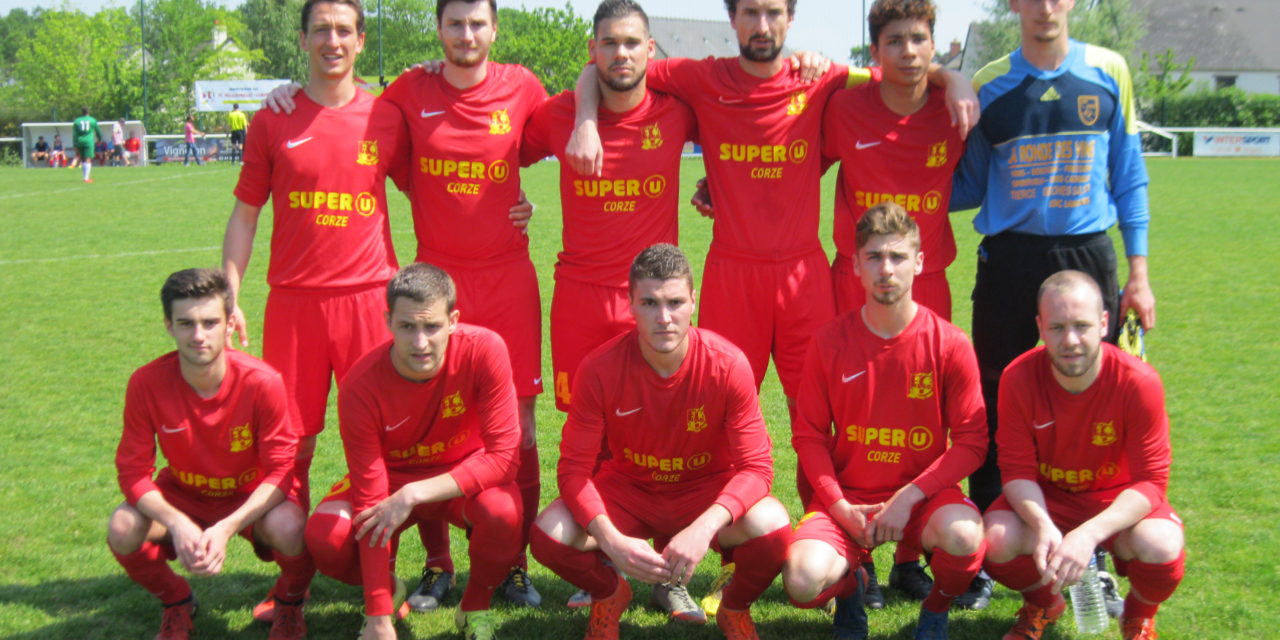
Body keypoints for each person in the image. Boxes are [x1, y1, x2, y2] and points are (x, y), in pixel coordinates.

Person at [568, 0, 976, 614]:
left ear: (792, 19)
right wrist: (584, 119)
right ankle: (695, 561)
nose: (762, 27)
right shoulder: (701, 78)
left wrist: (956, 75)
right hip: (732, 271)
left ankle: (843, 547)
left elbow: (905, 68)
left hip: (803, 272)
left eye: (774, 13)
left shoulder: (821, 78)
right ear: (732, 19)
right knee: (709, 417)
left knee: (816, 415)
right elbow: (610, 66)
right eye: (750, 13)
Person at [951, 0, 1156, 609]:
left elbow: (1130, 175)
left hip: (1089, 253)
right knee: (991, 397)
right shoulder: (990, 82)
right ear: (1012, 5)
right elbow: (964, 182)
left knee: (1096, 405)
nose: (1043, 7)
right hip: (1010, 257)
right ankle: (993, 548)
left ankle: (1095, 554)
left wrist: (1139, 273)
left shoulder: (1109, 70)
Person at [222, 0, 409, 620]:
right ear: (302, 40)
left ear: (361, 41)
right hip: (295, 307)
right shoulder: (272, 118)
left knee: (379, 448)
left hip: (368, 301)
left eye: (344, 30)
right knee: (289, 451)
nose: (333, 40)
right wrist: (229, 291)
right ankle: (291, 590)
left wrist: (513, 209)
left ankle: (381, 591)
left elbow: (442, 177)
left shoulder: (387, 115)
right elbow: (246, 212)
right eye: (321, 30)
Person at [519, 0, 700, 617]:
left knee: (662, 429)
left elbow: (744, 132)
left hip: (650, 297)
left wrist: (714, 185)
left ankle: (668, 568)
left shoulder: (677, 111)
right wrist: (513, 203)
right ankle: (604, 564)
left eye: (631, 43)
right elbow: (486, 158)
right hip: (581, 297)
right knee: (589, 437)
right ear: (592, 53)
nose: (620, 54)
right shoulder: (562, 114)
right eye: (608, 44)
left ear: (652, 50)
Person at [530, 244, 791, 640]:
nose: (664, 317)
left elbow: (757, 467)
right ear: (630, 304)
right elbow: (573, 470)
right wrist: (612, 541)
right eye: (649, 303)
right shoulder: (600, 368)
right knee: (549, 534)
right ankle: (609, 593)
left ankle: (734, 607)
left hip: (704, 490)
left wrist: (704, 528)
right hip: (630, 490)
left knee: (772, 525)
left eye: (674, 302)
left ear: (693, 302)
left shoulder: (727, 364)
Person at [819, 0, 970, 606]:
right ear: (874, 53)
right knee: (849, 413)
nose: (908, 51)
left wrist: (954, 77)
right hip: (853, 281)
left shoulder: (953, 105)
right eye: (894, 42)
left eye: (919, 39)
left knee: (926, 419)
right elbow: (799, 158)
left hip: (928, 281)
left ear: (934, 45)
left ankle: (910, 555)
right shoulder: (846, 107)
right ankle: (854, 552)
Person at [783, 204, 987, 640]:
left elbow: (972, 441)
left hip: (921, 499)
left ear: (919, 262)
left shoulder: (949, 344)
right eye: (874, 257)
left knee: (966, 538)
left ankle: (935, 610)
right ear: (856, 265)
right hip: (850, 500)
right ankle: (851, 586)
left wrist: (910, 496)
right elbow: (809, 436)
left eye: (897, 257)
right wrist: (838, 506)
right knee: (800, 581)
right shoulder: (829, 341)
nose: (886, 269)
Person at [303, 263, 524, 640]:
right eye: (407, 327)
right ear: (388, 320)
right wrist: (377, 614)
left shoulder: (485, 349)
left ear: (453, 321)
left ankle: (474, 607)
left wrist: (416, 492)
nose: (420, 342)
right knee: (327, 538)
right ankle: (389, 590)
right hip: (391, 481)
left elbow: (504, 457)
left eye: (432, 327)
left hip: (458, 475)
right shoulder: (360, 384)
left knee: (503, 512)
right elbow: (371, 497)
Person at [108, 268, 312, 640]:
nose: (198, 335)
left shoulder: (263, 382)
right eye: (186, 323)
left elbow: (282, 471)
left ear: (230, 324)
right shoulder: (146, 382)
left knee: (292, 526)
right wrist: (177, 522)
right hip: (184, 495)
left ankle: (289, 604)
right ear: (169, 326)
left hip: (249, 498)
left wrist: (227, 526)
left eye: (209, 322)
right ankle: (177, 602)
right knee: (122, 528)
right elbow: (133, 472)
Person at [982, 270, 1183, 640]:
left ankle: (1138, 617)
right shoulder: (1018, 377)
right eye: (1057, 327)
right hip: (1050, 501)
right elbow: (1016, 471)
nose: (1070, 340)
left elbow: (1152, 482)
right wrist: (1043, 526)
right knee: (995, 539)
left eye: (1082, 325)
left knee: (1162, 544)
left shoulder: (1139, 382)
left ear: (1104, 323)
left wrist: (1088, 535)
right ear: (1040, 327)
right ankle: (1043, 603)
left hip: (1117, 505)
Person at [71, 106, 102, 182]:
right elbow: (98, 132)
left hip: (79, 141)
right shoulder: (92, 120)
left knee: (82, 159)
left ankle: (85, 177)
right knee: (87, 159)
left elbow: (74, 134)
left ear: (82, 112)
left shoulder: (77, 121)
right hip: (88, 142)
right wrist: (99, 140)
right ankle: (86, 178)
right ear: (89, 112)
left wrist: (75, 144)